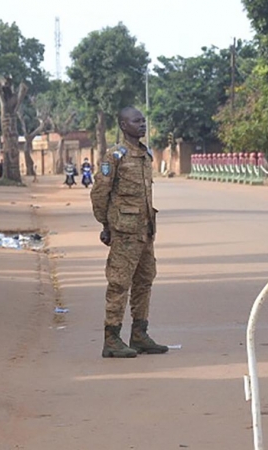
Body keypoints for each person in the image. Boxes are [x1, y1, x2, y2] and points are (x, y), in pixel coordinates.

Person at [90, 106, 168, 358]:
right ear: (124, 125)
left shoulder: (145, 155)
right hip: (124, 232)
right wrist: (106, 225)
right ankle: (111, 339)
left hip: (145, 231)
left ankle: (139, 334)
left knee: (145, 280)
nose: (142, 124)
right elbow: (100, 193)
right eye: (136, 121)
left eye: (144, 120)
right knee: (119, 283)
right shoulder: (115, 156)